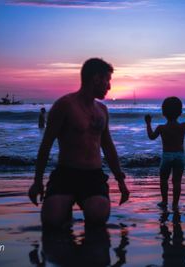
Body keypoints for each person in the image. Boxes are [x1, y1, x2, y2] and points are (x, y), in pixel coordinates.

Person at [28, 58, 130, 229]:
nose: (109, 87)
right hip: (65, 174)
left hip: (93, 176)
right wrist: (37, 182)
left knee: (98, 217)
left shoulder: (102, 110)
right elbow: (46, 145)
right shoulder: (65, 105)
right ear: (96, 79)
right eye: (107, 80)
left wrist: (121, 180)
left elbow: (108, 147)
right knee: (51, 221)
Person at [145, 97, 185, 209]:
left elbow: (151, 137)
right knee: (177, 181)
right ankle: (175, 203)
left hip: (167, 156)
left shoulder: (161, 128)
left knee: (164, 180)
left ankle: (164, 201)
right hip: (179, 156)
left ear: (163, 112)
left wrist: (148, 123)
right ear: (180, 112)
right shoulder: (182, 126)